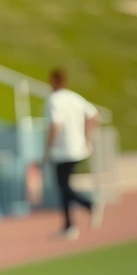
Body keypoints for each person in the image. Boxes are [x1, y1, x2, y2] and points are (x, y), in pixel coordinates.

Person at [42, 68, 103, 240]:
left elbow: (55, 125)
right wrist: (86, 137)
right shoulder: (74, 97)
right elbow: (94, 116)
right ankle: (69, 225)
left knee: (63, 185)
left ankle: (89, 204)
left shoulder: (54, 100)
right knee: (64, 186)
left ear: (53, 81)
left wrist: (48, 149)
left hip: (63, 150)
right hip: (77, 148)